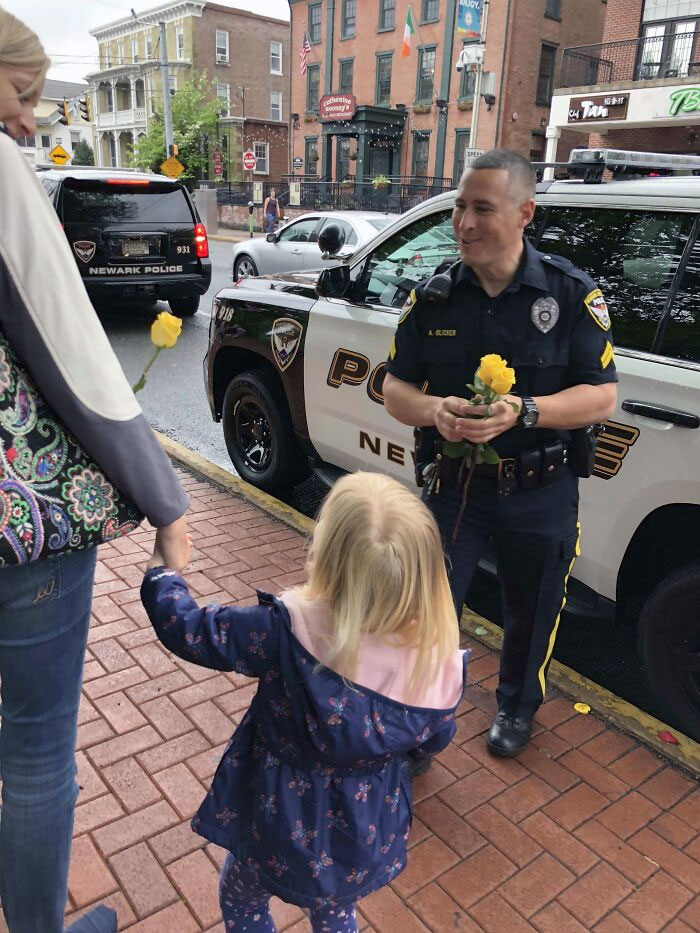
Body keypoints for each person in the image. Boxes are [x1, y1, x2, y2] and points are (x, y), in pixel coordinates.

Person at [0, 10, 190, 932]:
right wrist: (164, 497)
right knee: (36, 750)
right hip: (19, 525)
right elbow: (68, 341)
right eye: (20, 93)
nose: (28, 120)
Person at [141, 471, 467, 932]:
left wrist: (163, 574)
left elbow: (193, 631)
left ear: (325, 556)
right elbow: (435, 737)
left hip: (273, 816)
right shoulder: (434, 664)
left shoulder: (284, 631)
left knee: (242, 899)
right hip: (361, 826)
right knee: (335, 909)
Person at [383, 149, 617, 758]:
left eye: (482, 209)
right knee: (427, 611)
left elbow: (602, 396)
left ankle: (516, 706)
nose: (463, 223)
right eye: (459, 207)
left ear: (523, 213)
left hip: (541, 490)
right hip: (454, 488)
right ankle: (422, 721)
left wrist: (526, 410)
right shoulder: (433, 298)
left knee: (532, 611)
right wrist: (435, 411)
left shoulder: (570, 295)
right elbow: (394, 388)